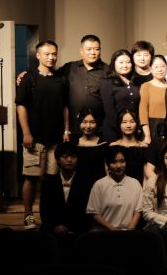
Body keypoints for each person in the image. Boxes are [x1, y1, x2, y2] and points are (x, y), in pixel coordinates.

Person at [16, 40, 69, 230]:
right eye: (47, 54)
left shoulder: (61, 78)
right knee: (31, 177)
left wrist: (66, 129)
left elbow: (65, 106)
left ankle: (50, 217)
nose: (51, 57)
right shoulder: (29, 78)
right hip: (35, 139)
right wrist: (26, 133)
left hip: (55, 139)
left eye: (54, 53)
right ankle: (28, 215)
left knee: (52, 180)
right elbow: (21, 106)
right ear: (38, 55)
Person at [40, 142, 93, 236]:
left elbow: (88, 211)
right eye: (65, 157)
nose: (69, 160)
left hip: (79, 230)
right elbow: (44, 210)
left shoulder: (86, 182)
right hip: (53, 230)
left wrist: (75, 228)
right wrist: (55, 226)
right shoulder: (48, 182)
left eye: (73, 156)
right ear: (58, 159)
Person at [86, 145, 144, 231]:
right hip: (104, 232)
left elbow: (138, 210)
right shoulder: (99, 185)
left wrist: (131, 227)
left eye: (122, 161)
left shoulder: (135, 183)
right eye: (114, 162)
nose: (118, 166)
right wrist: (113, 230)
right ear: (108, 164)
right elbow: (94, 212)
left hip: (127, 233)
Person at [61, 34, 106, 136]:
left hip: (99, 130)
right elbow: (51, 77)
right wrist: (27, 75)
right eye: (89, 49)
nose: (93, 53)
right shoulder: (69, 68)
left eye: (96, 49)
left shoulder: (108, 70)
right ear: (81, 51)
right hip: (72, 129)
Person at [100, 49, 140, 141]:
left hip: (133, 130)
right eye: (121, 62)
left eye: (128, 62)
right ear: (114, 64)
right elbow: (109, 110)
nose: (125, 65)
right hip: (114, 130)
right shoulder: (107, 82)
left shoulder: (135, 82)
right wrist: (121, 128)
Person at [109, 108, 148, 183]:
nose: (128, 125)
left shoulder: (143, 147)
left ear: (137, 123)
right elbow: (109, 173)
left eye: (132, 122)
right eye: (124, 122)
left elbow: (146, 174)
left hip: (138, 187)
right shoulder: (113, 146)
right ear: (119, 124)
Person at [138, 54, 167, 145]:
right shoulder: (146, 86)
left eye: (163, 66)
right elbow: (143, 111)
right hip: (152, 127)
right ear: (151, 69)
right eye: (156, 67)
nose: (160, 69)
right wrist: (147, 135)